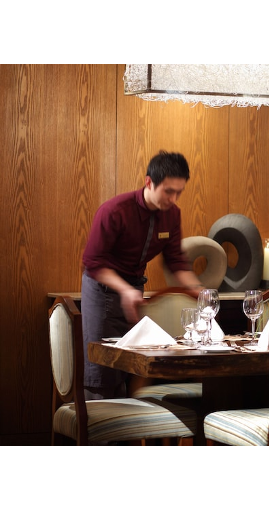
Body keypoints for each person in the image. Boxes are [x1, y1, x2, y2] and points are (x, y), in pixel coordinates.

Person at [81, 151, 203, 400]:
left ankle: (130, 423)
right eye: (168, 191)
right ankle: (99, 422)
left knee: (133, 367)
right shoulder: (114, 211)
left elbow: (176, 261)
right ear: (149, 182)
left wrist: (200, 291)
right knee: (103, 371)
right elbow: (92, 261)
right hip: (102, 292)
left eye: (179, 192)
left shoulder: (172, 214)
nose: (173, 199)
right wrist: (124, 289)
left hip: (134, 291)